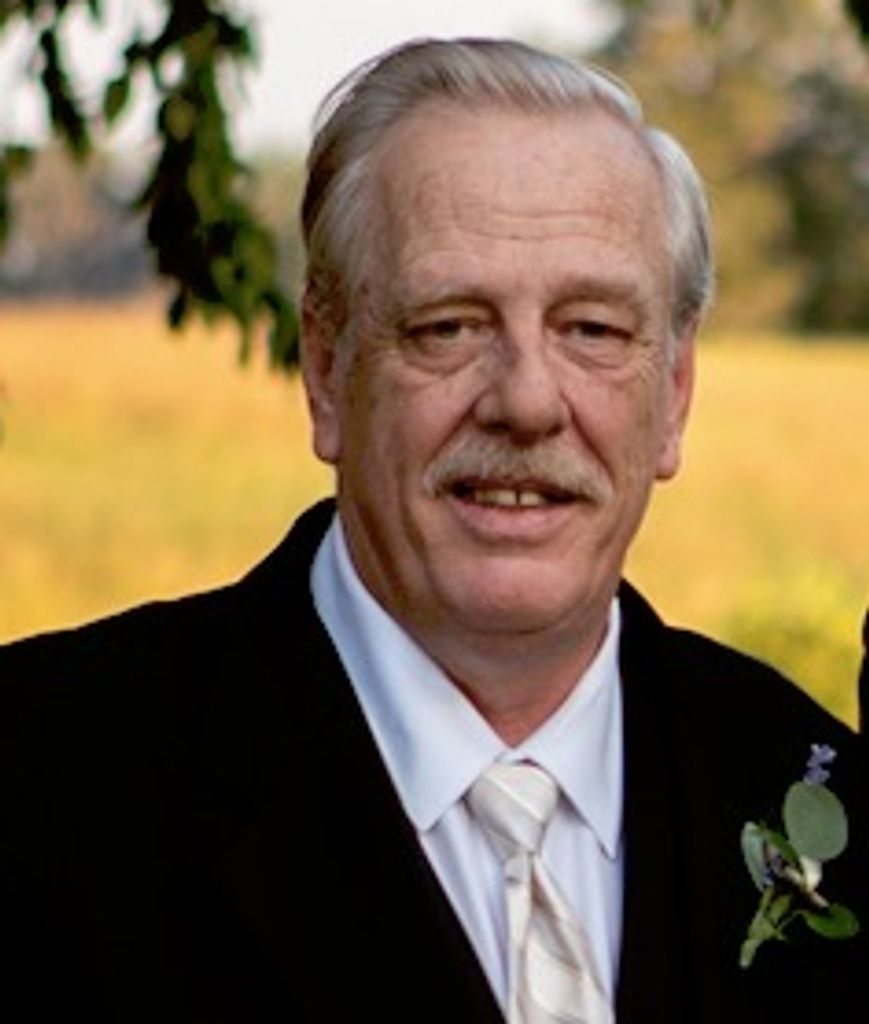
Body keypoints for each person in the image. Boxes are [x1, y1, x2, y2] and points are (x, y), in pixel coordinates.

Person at [0, 37, 865, 1024]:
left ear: (672, 393)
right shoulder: (38, 783)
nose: (526, 401)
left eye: (591, 329)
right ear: (326, 370)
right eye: (448, 326)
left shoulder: (817, 792)